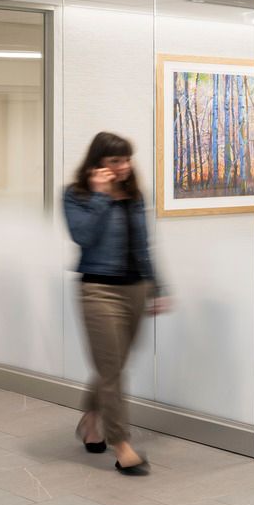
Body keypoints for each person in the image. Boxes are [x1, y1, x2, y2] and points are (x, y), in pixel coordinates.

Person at [63, 132, 168, 476]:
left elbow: (144, 245)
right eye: (116, 161)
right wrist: (100, 197)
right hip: (98, 290)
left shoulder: (135, 195)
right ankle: (121, 445)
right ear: (98, 164)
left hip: (135, 289)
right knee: (111, 371)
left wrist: (157, 286)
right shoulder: (76, 195)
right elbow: (82, 237)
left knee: (114, 365)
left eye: (127, 159)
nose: (124, 166)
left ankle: (91, 421)